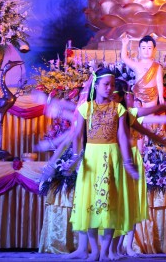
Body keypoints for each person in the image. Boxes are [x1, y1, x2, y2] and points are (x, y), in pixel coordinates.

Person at [46, 68, 137, 261]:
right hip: (91, 157)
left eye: (112, 85)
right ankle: (94, 250)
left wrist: (128, 162)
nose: (109, 88)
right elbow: (77, 136)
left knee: (109, 204)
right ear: (96, 85)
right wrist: (75, 158)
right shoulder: (85, 108)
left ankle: (104, 252)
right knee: (90, 203)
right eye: (106, 84)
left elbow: (123, 136)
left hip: (111, 157)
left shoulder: (119, 109)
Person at [109, 79, 166, 258]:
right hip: (113, 158)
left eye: (130, 95)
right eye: (128, 94)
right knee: (115, 202)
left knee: (130, 203)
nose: (131, 97)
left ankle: (125, 247)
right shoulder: (107, 112)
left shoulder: (130, 113)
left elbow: (155, 116)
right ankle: (111, 248)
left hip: (131, 157)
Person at [121, 34, 164, 108]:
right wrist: (124, 44)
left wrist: (161, 96)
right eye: (143, 48)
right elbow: (124, 58)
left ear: (154, 50)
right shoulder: (136, 64)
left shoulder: (157, 66)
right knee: (139, 113)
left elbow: (159, 82)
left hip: (152, 94)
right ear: (139, 49)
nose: (146, 51)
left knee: (150, 113)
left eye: (149, 48)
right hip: (138, 94)